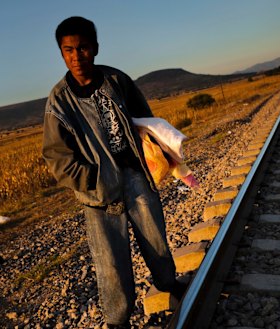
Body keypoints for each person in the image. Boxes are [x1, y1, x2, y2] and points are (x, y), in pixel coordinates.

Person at [42, 16, 186, 328]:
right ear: (61, 53)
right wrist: (92, 180)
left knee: (155, 240)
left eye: (83, 48)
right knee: (111, 264)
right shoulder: (58, 102)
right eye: (69, 50)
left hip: (135, 177)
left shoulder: (116, 81)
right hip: (97, 194)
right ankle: (118, 321)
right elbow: (56, 157)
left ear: (95, 48)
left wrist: (155, 152)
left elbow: (143, 118)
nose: (77, 56)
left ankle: (170, 285)